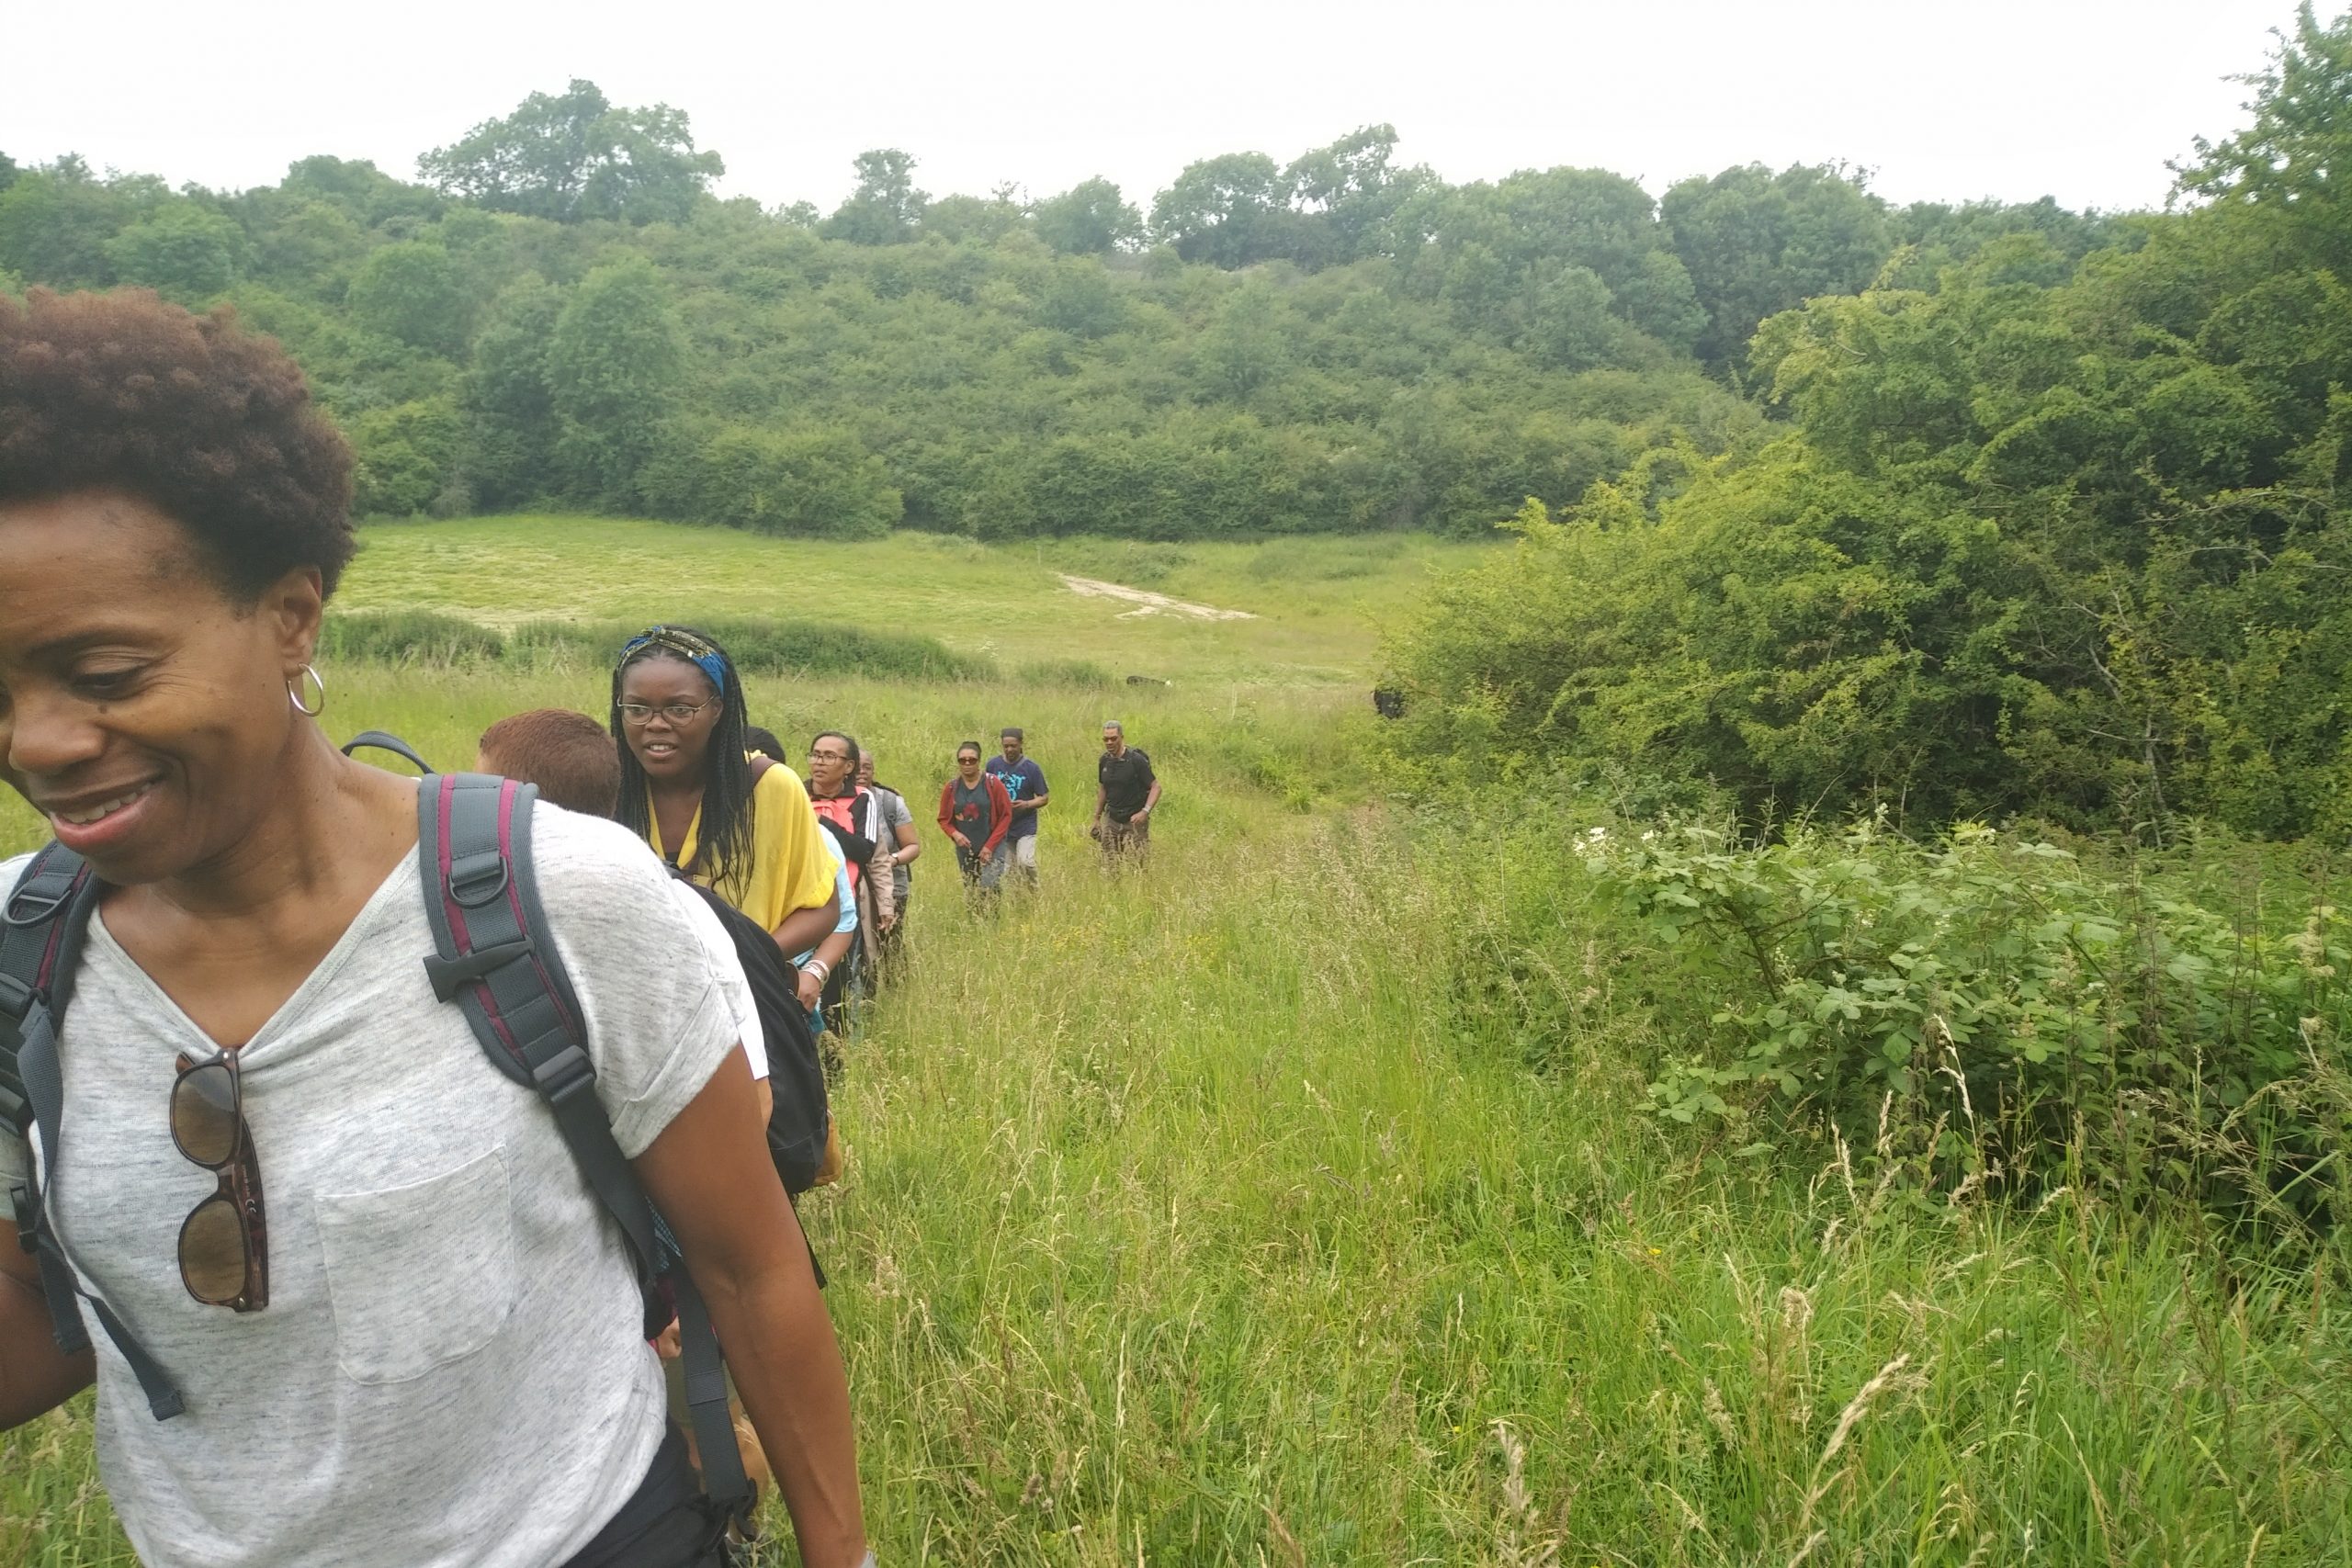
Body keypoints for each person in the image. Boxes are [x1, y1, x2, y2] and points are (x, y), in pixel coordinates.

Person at [0, 289, 867, 1568]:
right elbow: (46, 1298)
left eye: (110, 676)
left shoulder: (565, 896)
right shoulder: (24, 954)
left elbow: (753, 1268)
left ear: (292, 617)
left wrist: (840, 1554)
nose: (39, 743)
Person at [475, 708, 779, 1497]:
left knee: (690, 1445)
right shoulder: (494, 915)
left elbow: (749, 1100)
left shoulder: (659, 911)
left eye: (475, 784)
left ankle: (731, 1534)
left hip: (660, 1276)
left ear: (515, 800)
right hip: (567, 1277)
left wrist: (672, 1271)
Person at [612, 626, 841, 1019]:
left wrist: (740, 960)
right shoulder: (606, 786)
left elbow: (823, 908)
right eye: (637, 709)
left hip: (744, 1013)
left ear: (717, 708)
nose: (656, 724)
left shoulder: (771, 787)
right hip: (631, 1017)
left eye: (680, 709)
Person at [805, 732, 890, 999]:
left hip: (845, 905)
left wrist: (823, 824)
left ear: (849, 766)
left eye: (830, 756)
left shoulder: (862, 798)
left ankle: (838, 1038)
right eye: (816, 754)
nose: (820, 762)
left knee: (838, 983)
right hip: (799, 905)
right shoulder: (795, 793)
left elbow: (865, 850)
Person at [856, 752, 920, 977]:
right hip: (854, 886)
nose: (862, 773)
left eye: (867, 767)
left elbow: (912, 846)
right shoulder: (835, 802)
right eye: (857, 767)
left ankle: (896, 987)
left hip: (893, 886)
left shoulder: (890, 803)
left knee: (890, 941)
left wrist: (891, 860)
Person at [937, 741, 1012, 898]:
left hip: (993, 843)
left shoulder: (993, 784)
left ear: (979, 762)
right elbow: (944, 819)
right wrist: (955, 834)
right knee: (971, 887)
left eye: (972, 760)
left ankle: (992, 920)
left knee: (989, 885)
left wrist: (990, 847)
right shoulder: (951, 788)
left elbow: (1006, 815)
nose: (967, 763)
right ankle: (974, 920)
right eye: (962, 760)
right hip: (966, 847)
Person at [984, 727, 1048, 886]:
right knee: (1008, 871)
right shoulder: (993, 765)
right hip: (1003, 825)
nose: (1009, 749)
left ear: (1021, 744)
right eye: (1006, 746)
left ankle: (1034, 891)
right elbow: (986, 792)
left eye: (1013, 746)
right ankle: (1018, 900)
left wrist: (1026, 804)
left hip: (1025, 824)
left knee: (1025, 862)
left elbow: (1044, 798)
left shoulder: (1031, 768)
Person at [1093, 720, 1160, 864]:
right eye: (1106, 739)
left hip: (1134, 821)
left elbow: (1156, 787)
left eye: (1113, 738)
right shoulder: (1104, 761)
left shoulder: (1136, 760)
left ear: (1121, 737)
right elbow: (1103, 788)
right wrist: (1097, 818)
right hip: (1112, 818)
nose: (1109, 742)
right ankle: (1114, 888)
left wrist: (1145, 812)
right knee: (1110, 864)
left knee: (1137, 865)